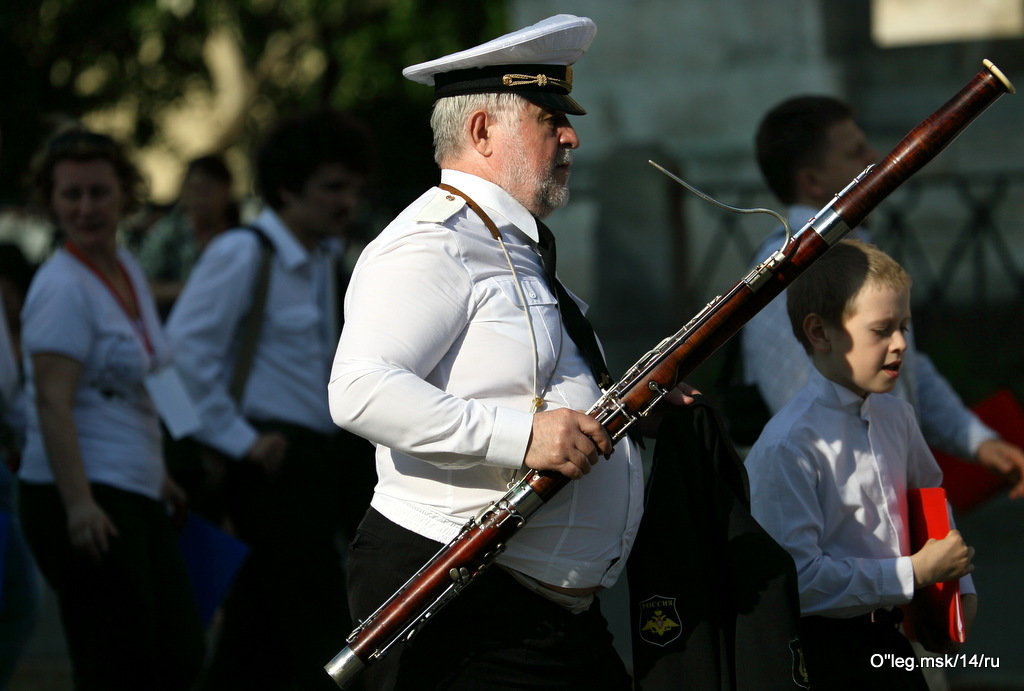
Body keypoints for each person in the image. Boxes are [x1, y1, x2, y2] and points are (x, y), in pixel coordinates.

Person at [329, 14, 695, 690]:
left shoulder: (508, 241)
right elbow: (359, 388)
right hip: (459, 594)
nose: (571, 135)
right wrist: (523, 435)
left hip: (541, 609)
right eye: (548, 115)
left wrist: (623, 414)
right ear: (481, 131)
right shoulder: (433, 241)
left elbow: (527, 379)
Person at [166, 108, 378, 690]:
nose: (347, 203)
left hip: (313, 465)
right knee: (314, 630)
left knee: (259, 636)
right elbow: (175, 361)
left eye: (355, 188)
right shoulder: (242, 253)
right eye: (333, 187)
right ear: (288, 188)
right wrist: (241, 441)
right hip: (267, 468)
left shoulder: (319, 258)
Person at [740, 95, 1024, 497]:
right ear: (812, 181)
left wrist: (977, 441)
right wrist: (903, 552)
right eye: (854, 152)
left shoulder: (850, 249)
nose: (873, 159)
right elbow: (811, 419)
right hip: (842, 521)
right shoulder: (794, 264)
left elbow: (907, 369)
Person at [17, 125, 205, 690]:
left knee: (176, 649)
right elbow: (52, 402)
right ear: (50, 202)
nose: (85, 207)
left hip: (131, 483)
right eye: (70, 194)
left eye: (98, 191)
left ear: (125, 193)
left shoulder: (123, 270)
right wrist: (78, 504)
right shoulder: (61, 286)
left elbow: (140, 378)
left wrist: (159, 474)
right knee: (119, 662)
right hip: (82, 495)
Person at [744, 238, 978, 690]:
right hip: (824, 653)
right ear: (820, 332)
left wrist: (956, 595)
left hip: (892, 638)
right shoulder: (790, 445)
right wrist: (914, 573)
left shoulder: (897, 415)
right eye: (881, 329)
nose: (900, 344)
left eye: (904, 327)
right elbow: (800, 581)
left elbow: (930, 504)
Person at [136, 153, 240, 316]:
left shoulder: (240, 236)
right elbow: (141, 287)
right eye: (193, 189)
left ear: (225, 191)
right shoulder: (168, 232)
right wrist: (192, 289)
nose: (199, 198)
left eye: (206, 190)